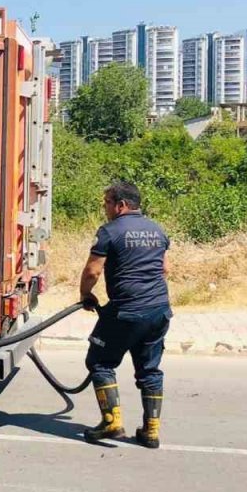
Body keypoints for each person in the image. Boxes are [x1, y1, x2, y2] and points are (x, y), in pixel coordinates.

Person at [78, 181, 172, 448]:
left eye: (107, 202)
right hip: (159, 311)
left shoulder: (109, 231)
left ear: (120, 205)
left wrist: (86, 295)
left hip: (126, 313)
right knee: (149, 370)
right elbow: (165, 270)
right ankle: (151, 431)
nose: (105, 208)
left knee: (100, 362)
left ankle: (111, 423)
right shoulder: (157, 229)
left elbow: (93, 271)